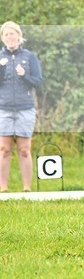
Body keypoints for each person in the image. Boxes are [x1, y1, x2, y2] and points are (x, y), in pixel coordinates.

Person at [0, 22, 43, 192]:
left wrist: (24, 75)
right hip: (3, 109)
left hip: (25, 109)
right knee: (4, 149)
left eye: (12, 34)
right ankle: (3, 189)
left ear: (19, 35)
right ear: (3, 38)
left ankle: (27, 189)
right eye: (6, 35)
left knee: (24, 149)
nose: (9, 37)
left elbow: (38, 82)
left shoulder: (29, 57)